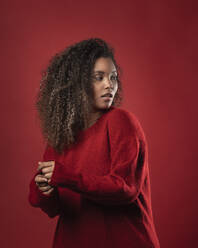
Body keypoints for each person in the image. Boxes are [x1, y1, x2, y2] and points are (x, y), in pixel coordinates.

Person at [28, 37, 160, 248]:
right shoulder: (61, 134)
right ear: (76, 83)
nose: (109, 85)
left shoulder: (121, 121)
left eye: (113, 77)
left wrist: (65, 176)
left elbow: (125, 188)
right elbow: (54, 209)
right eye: (98, 77)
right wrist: (44, 190)